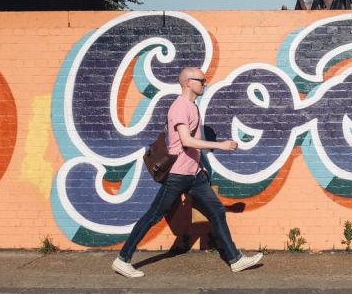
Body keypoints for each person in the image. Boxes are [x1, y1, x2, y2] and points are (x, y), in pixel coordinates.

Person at [112, 67, 263, 278]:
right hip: (178, 175)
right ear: (188, 83)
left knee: (217, 211)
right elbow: (186, 141)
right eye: (201, 80)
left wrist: (201, 168)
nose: (205, 83)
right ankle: (123, 259)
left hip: (195, 175)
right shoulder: (180, 107)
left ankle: (235, 259)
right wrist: (220, 145)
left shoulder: (192, 106)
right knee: (153, 216)